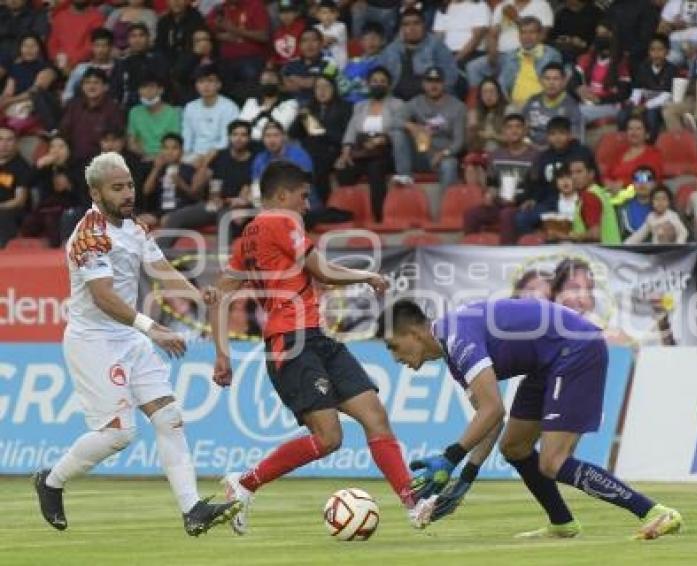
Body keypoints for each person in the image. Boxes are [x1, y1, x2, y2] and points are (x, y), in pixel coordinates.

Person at [208, 162, 435, 535]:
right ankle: (245, 483)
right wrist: (366, 276)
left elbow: (218, 298)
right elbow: (324, 270)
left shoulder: (247, 237)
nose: (307, 205)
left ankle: (414, 503)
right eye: (303, 196)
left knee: (374, 415)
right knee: (329, 438)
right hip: (290, 344)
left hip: (314, 337)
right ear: (282, 196)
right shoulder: (282, 221)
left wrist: (222, 353)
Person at [33, 152, 239, 536]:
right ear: (96, 192)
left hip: (127, 337)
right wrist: (153, 328)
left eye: (129, 184)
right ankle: (51, 481)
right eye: (118, 188)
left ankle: (192, 509)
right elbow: (102, 296)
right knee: (119, 434)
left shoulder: (135, 227)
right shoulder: (89, 237)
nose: (128, 193)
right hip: (93, 341)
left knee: (169, 418)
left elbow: (159, 270)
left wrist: (197, 294)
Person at [375, 298, 683, 539]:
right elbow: (491, 418)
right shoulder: (453, 351)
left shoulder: (457, 337)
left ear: (414, 333)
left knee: (553, 461)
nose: (395, 358)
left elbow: (492, 409)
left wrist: (449, 458)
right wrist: (465, 479)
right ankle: (562, 523)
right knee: (515, 447)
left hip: (575, 349)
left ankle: (654, 511)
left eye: (394, 347)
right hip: (547, 361)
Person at [160, 119, 256, 247]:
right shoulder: (220, 156)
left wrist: (233, 201)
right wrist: (206, 161)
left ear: (249, 138)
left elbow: (249, 193)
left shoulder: (254, 160)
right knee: (176, 217)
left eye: (243, 135)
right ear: (229, 137)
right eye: (235, 134)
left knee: (224, 217)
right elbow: (195, 188)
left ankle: (224, 263)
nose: (238, 138)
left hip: (237, 208)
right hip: (214, 205)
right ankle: (159, 258)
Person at [337, 66, 405, 222]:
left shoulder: (397, 105)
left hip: (386, 151)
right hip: (362, 150)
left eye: (382, 81)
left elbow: (399, 128)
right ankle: (349, 216)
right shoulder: (360, 106)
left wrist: (383, 139)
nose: (378, 84)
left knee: (375, 169)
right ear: (368, 84)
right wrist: (346, 152)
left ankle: (378, 216)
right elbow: (351, 130)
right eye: (374, 81)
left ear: (389, 85)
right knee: (343, 171)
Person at [463, 114, 538, 243]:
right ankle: (471, 252)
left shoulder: (535, 156)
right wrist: (489, 194)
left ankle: (505, 256)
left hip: (521, 205)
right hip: (499, 202)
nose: (514, 130)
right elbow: (492, 182)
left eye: (518, 127)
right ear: (504, 132)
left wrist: (528, 200)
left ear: (525, 131)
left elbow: (537, 186)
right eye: (509, 127)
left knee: (507, 215)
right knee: (471, 214)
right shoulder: (496, 155)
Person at [397, 66, 466, 191]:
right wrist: (411, 126)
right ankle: (403, 176)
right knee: (397, 131)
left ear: (444, 83)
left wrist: (442, 154)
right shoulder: (416, 102)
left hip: (441, 156)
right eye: (429, 81)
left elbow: (459, 141)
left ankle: (447, 208)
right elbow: (393, 119)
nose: (433, 86)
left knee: (450, 164)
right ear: (424, 84)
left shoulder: (458, 107)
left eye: (437, 82)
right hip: (419, 154)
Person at [291, 76, 351, 204]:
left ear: (334, 89)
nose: (322, 91)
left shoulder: (345, 107)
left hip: (333, 150)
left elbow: (345, 135)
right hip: (310, 150)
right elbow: (293, 133)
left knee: (316, 163)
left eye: (326, 87)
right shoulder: (310, 108)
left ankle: (322, 206)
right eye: (318, 87)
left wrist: (320, 131)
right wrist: (300, 117)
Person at [465, 0, 553, 88]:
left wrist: (516, 18)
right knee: (473, 67)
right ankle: (477, 99)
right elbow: (493, 33)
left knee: (504, 74)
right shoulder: (504, 5)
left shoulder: (541, 5)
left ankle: (503, 98)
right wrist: (492, 53)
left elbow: (542, 36)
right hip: (498, 54)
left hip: (522, 55)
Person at [569, 21, 632, 143]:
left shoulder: (621, 62)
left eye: (604, 34)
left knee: (578, 112)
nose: (601, 38)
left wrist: (600, 100)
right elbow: (572, 82)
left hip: (610, 105)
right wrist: (578, 89)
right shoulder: (588, 58)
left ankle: (578, 151)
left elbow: (624, 93)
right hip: (588, 103)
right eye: (598, 34)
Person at [376, 8, 459, 101]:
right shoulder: (391, 50)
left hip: (429, 101)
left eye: (416, 23)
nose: (412, 28)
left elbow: (451, 76)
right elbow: (379, 76)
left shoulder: (436, 46)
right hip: (396, 102)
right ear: (401, 28)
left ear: (424, 25)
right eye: (406, 24)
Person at [20, 135, 79, 247]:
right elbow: (25, 182)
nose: (56, 151)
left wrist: (70, 185)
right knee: (28, 224)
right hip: (46, 207)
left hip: (68, 207)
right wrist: (37, 166)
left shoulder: (76, 167)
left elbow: (83, 194)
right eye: (53, 147)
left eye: (61, 147)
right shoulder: (46, 167)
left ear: (69, 150)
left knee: (51, 221)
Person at [60, 67, 125, 169]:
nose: (91, 86)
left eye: (96, 82)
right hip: (73, 163)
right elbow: (64, 133)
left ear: (106, 87)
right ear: (82, 87)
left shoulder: (113, 109)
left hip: (101, 164)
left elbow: (116, 142)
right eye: (87, 83)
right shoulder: (73, 106)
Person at [617, 34, 675, 143]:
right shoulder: (643, 67)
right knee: (623, 114)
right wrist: (633, 102)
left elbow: (667, 95)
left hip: (660, 106)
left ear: (667, 52)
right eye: (653, 50)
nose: (656, 54)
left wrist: (645, 106)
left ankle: (650, 145)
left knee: (651, 115)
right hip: (644, 103)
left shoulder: (671, 69)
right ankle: (623, 143)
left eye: (660, 50)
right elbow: (638, 89)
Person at [205, 0, 270, 95]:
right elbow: (203, 30)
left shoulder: (255, 5)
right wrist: (219, 36)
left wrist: (234, 30)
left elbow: (263, 36)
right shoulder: (219, 9)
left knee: (249, 94)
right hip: (225, 61)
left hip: (250, 60)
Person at [0, 33, 59, 135]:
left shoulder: (48, 68)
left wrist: (10, 101)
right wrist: (4, 100)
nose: (29, 50)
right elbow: (8, 91)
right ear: (20, 48)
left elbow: (35, 91)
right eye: (25, 46)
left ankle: (52, 131)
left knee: (36, 96)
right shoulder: (16, 67)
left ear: (40, 48)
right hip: (15, 105)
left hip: (37, 106)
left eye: (33, 46)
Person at [499, 17, 563, 108]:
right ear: (519, 35)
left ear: (540, 35)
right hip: (514, 106)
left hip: (542, 106)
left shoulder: (551, 55)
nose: (527, 37)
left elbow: (556, 85)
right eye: (523, 32)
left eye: (532, 32)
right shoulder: (510, 56)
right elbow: (502, 84)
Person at [181, 65, 240, 164]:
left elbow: (226, 138)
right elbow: (187, 135)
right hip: (194, 154)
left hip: (219, 154)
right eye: (201, 81)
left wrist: (209, 155)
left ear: (219, 85)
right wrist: (186, 153)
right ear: (196, 85)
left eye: (210, 81)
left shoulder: (230, 107)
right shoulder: (190, 107)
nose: (206, 85)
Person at [140, 133, 198, 227]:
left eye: (174, 148)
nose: (169, 152)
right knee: (139, 221)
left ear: (182, 151)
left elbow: (195, 196)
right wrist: (156, 169)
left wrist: (181, 184)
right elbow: (146, 191)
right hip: (160, 211)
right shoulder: (158, 169)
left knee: (166, 220)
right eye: (166, 148)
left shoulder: (189, 169)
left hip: (181, 210)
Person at [523, 63, 582, 149]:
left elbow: (576, 138)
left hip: (556, 152)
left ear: (563, 81)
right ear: (541, 81)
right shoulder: (533, 100)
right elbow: (522, 127)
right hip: (529, 149)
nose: (551, 83)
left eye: (556, 79)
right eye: (547, 79)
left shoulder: (571, 106)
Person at [564, 156, 622, 244]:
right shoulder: (598, 192)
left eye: (579, 172)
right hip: (612, 254)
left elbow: (595, 234)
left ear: (591, 174)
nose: (574, 176)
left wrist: (567, 236)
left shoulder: (590, 196)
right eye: (571, 173)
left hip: (601, 255)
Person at [128, 73, 183, 161]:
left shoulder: (173, 113)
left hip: (167, 158)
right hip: (142, 157)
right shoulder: (134, 112)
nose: (147, 91)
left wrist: (157, 157)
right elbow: (132, 143)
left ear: (161, 90)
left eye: (151, 87)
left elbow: (174, 142)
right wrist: (145, 155)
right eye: (143, 87)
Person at [464, 78, 508, 186]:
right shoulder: (475, 114)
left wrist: (493, 136)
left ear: (499, 94)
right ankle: (475, 199)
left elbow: (514, 139)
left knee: (482, 168)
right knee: (471, 164)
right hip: (482, 154)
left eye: (492, 91)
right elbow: (471, 147)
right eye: (485, 92)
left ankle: (486, 199)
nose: (488, 95)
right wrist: (472, 131)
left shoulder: (509, 111)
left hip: (503, 153)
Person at [61, 28, 121, 105]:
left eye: (104, 46)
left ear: (111, 47)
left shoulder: (119, 68)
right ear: (92, 47)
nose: (100, 50)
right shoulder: (81, 69)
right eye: (97, 45)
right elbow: (68, 93)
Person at [114, 22, 167, 109]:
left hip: (155, 105)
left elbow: (163, 86)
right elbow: (116, 90)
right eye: (133, 36)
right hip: (128, 108)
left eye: (141, 35)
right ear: (128, 40)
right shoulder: (122, 63)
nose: (137, 40)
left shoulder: (158, 60)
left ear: (148, 38)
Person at [238, 68, 299, 141]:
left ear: (280, 84)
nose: (268, 83)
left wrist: (249, 134)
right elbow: (241, 125)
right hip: (248, 142)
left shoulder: (290, 104)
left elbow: (280, 128)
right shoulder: (251, 102)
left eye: (271, 80)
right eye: (265, 81)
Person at [604, 115, 663, 191]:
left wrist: (623, 184)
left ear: (647, 134)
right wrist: (608, 183)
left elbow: (649, 180)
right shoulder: (619, 151)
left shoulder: (653, 154)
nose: (633, 132)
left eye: (638, 129)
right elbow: (606, 174)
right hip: (612, 192)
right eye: (630, 129)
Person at [281, 28, 338, 105]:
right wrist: (307, 81)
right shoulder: (291, 63)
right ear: (299, 45)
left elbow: (318, 84)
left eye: (314, 40)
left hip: (318, 107)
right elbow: (284, 85)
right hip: (290, 106)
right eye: (305, 41)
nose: (309, 44)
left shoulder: (331, 63)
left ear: (321, 43)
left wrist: (294, 79)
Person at [47, 0, 106, 74]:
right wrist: (60, 62)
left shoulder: (97, 17)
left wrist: (71, 63)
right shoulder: (59, 16)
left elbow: (91, 46)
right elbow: (52, 44)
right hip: (59, 64)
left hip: (84, 65)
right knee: (45, 76)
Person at [657, 0, 697, 66]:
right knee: (665, 62)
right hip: (675, 45)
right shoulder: (673, 2)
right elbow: (661, 31)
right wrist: (673, 26)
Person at [170, 27, 220, 106]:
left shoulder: (219, 59)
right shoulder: (185, 58)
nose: (202, 43)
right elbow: (179, 76)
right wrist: (195, 55)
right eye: (198, 41)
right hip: (189, 101)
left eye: (205, 39)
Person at [432, 0, 490, 67]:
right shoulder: (443, 8)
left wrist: (455, 59)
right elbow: (438, 38)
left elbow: (476, 38)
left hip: (472, 53)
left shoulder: (479, 5)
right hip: (448, 54)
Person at [338, 22, 385, 104]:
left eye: (374, 38)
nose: (371, 42)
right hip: (346, 104)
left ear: (382, 41)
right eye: (366, 38)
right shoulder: (352, 62)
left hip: (370, 104)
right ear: (361, 42)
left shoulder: (385, 62)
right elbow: (341, 84)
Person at [0, 125, 31, 247]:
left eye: (9, 140)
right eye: (0, 139)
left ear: (16, 143)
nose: (4, 144)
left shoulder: (21, 167)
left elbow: (19, 200)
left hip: (11, 210)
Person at [550, 0, 603, 64]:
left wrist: (583, 44)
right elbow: (552, 35)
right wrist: (560, 40)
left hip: (585, 55)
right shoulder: (562, 13)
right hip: (561, 51)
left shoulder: (596, 14)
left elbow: (601, 39)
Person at [0, 0, 50, 66]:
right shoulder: (2, 13)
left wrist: (20, 58)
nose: (12, 0)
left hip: (27, 60)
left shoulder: (38, 14)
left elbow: (39, 41)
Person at [616, 166, 656, 240]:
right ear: (632, 183)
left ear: (654, 184)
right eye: (638, 179)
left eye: (647, 179)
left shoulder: (663, 208)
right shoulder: (622, 208)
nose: (642, 183)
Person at [271, 0, 307, 69]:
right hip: (281, 66)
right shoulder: (277, 32)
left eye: (289, 12)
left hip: (300, 66)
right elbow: (274, 55)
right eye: (282, 12)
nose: (286, 15)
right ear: (278, 15)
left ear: (296, 13)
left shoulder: (303, 27)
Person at [314, 1, 347, 69]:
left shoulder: (341, 26)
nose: (328, 15)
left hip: (338, 66)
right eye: (324, 13)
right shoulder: (316, 28)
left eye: (332, 12)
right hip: (321, 65)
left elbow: (327, 42)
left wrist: (316, 40)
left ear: (337, 14)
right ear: (317, 15)